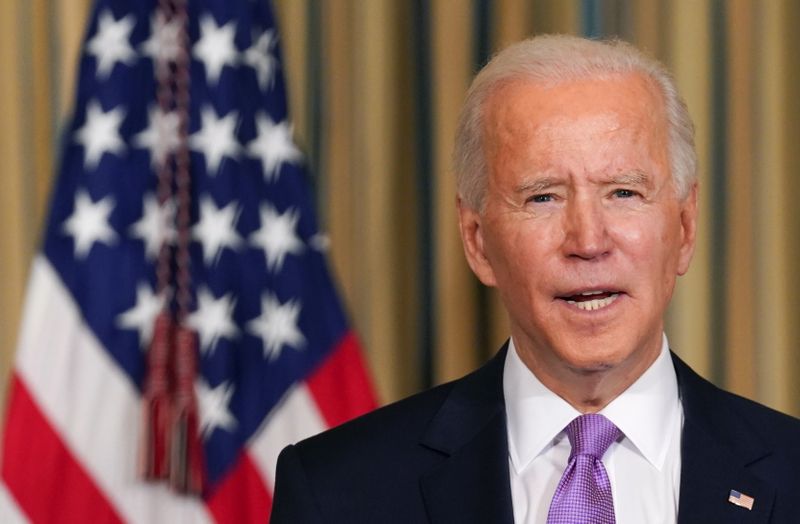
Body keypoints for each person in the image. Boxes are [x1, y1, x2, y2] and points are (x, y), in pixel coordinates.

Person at [270, 34, 800, 523]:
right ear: (478, 241)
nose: (588, 241)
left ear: (684, 229)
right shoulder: (336, 490)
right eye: (542, 197)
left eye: (623, 193)